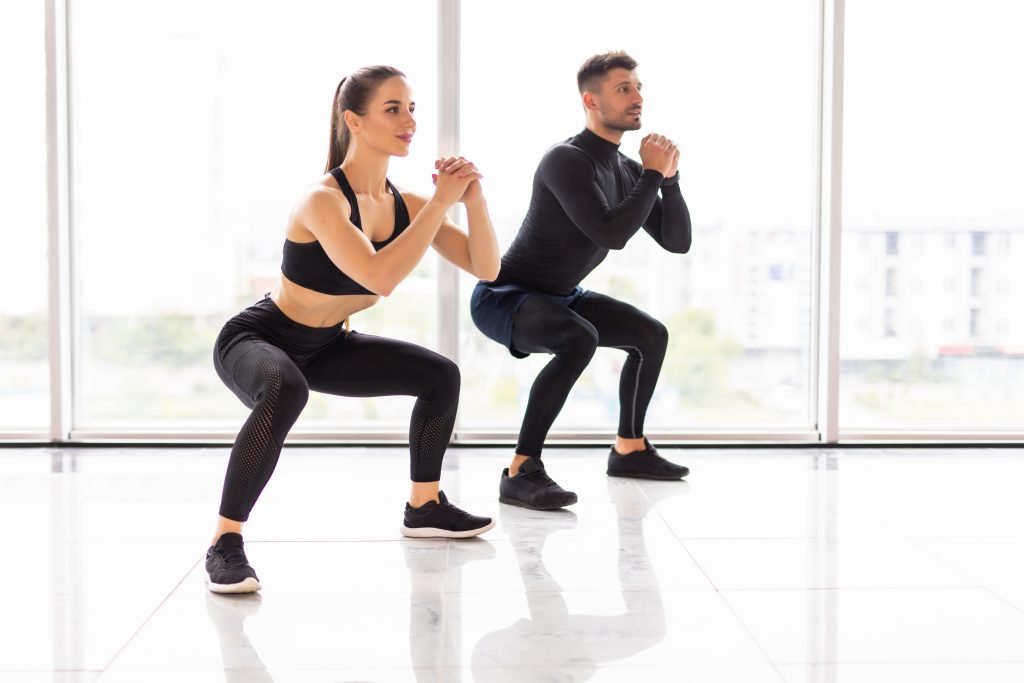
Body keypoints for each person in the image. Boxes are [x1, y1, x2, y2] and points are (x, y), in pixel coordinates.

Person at [206, 65, 501, 593]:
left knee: (440, 376)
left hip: (326, 345)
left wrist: (473, 201)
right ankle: (225, 543)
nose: (408, 120)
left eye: (412, 108)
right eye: (392, 109)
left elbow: (486, 267)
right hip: (261, 338)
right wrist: (440, 202)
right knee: (284, 387)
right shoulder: (323, 201)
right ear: (354, 121)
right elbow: (380, 277)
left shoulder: (406, 205)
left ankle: (424, 506)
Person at [470, 51, 692, 511]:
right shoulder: (565, 160)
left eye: (638, 87)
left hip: (560, 296)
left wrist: (668, 180)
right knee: (579, 338)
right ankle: (520, 471)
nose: (637, 97)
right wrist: (651, 173)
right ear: (591, 101)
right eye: (623, 89)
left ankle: (629, 449)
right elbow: (610, 233)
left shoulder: (627, 169)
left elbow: (677, 241)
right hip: (504, 297)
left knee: (650, 335)